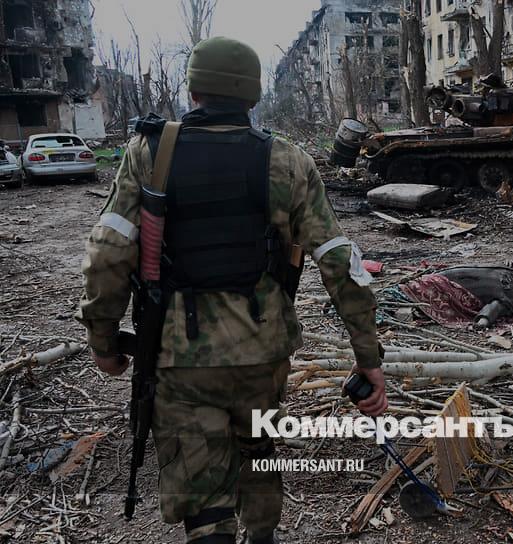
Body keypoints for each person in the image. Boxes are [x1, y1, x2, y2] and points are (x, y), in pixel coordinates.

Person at [75, 36, 387, 544]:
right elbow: (339, 260)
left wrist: (104, 341)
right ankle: (262, 534)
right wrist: (367, 356)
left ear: (193, 90)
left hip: (180, 357)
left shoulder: (149, 154)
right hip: (263, 353)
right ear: (253, 95)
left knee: (202, 487)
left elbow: (108, 253)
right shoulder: (287, 160)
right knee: (258, 448)